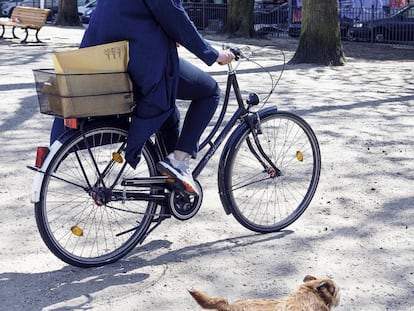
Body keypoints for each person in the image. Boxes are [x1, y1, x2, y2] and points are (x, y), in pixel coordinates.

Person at [50, 0, 234, 196]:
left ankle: (169, 185)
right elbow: (172, 13)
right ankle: (179, 160)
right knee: (209, 90)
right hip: (140, 62)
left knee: (169, 112)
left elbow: (139, 12)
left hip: (105, 59)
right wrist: (213, 55)